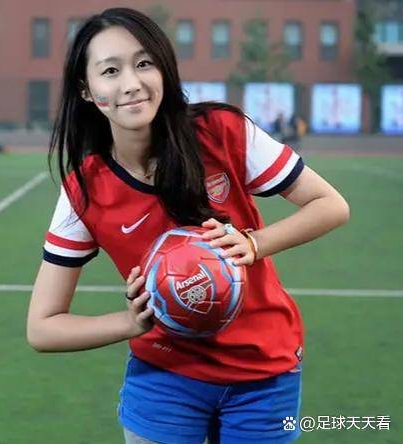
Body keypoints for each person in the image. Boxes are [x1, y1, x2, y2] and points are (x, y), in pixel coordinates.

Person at [26, 8, 349, 444]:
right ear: (86, 89)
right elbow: (42, 327)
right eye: (110, 71)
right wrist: (130, 323)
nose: (131, 83)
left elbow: (331, 205)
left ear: (164, 69)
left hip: (264, 371)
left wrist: (253, 243)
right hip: (164, 375)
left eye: (144, 63)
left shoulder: (222, 131)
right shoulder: (84, 189)